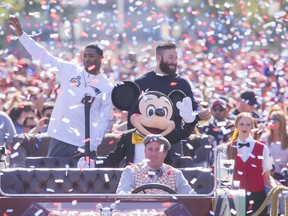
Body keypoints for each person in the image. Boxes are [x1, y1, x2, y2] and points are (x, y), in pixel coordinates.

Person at [8, 17, 114, 158]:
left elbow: (105, 120)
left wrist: (91, 146)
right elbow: (44, 57)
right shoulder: (70, 70)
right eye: (85, 56)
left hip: (84, 145)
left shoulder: (106, 86)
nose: (87, 59)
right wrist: (22, 35)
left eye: (91, 56)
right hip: (60, 138)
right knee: (53, 179)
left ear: (101, 58)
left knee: (83, 179)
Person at [133, 42, 210, 134]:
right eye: (170, 57)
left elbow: (192, 107)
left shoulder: (182, 83)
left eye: (176, 58)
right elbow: (132, 111)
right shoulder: (141, 82)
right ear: (158, 57)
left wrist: (201, 113)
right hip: (144, 137)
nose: (174, 61)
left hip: (173, 139)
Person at [224, 112, 277, 215]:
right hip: (235, 198)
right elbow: (224, 178)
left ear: (252, 127)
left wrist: (276, 189)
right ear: (236, 126)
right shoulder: (228, 148)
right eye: (241, 124)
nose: (245, 127)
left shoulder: (262, 148)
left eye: (248, 124)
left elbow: (267, 176)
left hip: (258, 199)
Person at [116, 134, 196, 194]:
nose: (153, 154)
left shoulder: (176, 174)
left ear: (165, 153)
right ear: (145, 152)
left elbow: (191, 198)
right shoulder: (130, 171)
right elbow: (122, 196)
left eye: (158, 150)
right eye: (150, 149)